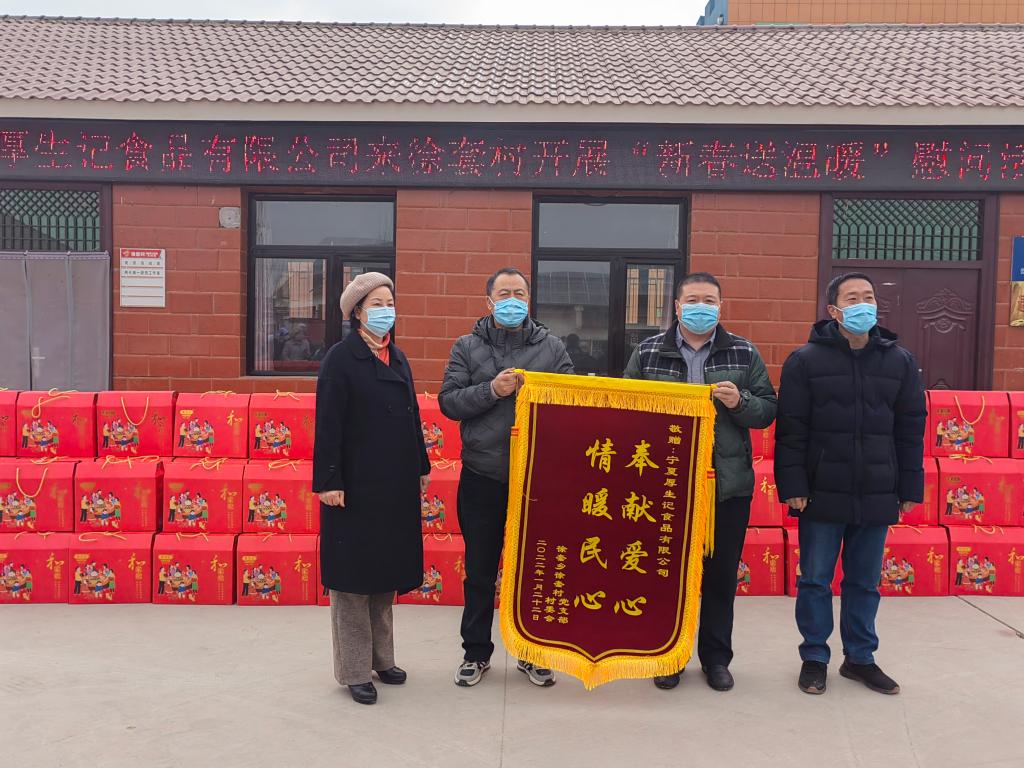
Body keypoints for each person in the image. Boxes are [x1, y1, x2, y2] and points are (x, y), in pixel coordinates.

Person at [623, 272, 777, 692]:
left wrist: (740, 401)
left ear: (720, 307)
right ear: (676, 307)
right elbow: (625, 408)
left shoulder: (743, 352)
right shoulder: (649, 352)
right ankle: (668, 655)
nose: (700, 307)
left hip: (724, 486)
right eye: (692, 300)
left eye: (709, 300)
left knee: (720, 576)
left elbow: (767, 409)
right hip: (664, 486)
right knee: (665, 575)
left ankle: (716, 659)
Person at [775, 272, 925, 697]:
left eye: (869, 297)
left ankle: (860, 658)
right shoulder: (805, 361)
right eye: (853, 298)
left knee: (864, 582)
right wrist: (793, 484)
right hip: (822, 489)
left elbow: (911, 429)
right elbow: (791, 431)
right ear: (834, 310)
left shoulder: (899, 361)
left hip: (877, 488)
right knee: (815, 579)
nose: (863, 305)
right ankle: (814, 657)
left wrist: (909, 487)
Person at [439, 267, 573, 689]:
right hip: (483, 475)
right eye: (504, 293)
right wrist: (491, 391)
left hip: (536, 480)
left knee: (533, 569)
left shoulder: (552, 347)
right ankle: (476, 652)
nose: (512, 300)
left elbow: (571, 402)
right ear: (489, 301)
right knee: (480, 570)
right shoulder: (466, 346)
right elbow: (449, 402)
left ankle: (533, 653)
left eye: (519, 293)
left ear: (529, 300)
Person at [313, 272, 431, 706]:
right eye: (377, 304)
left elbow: (412, 416)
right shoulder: (340, 360)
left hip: (393, 486)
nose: (386, 311)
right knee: (352, 581)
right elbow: (328, 425)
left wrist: (421, 465)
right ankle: (355, 670)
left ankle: (383, 659)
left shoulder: (396, 357)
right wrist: (329, 481)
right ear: (357, 313)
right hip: (353, 487)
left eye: (390, 302)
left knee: (384, 575)